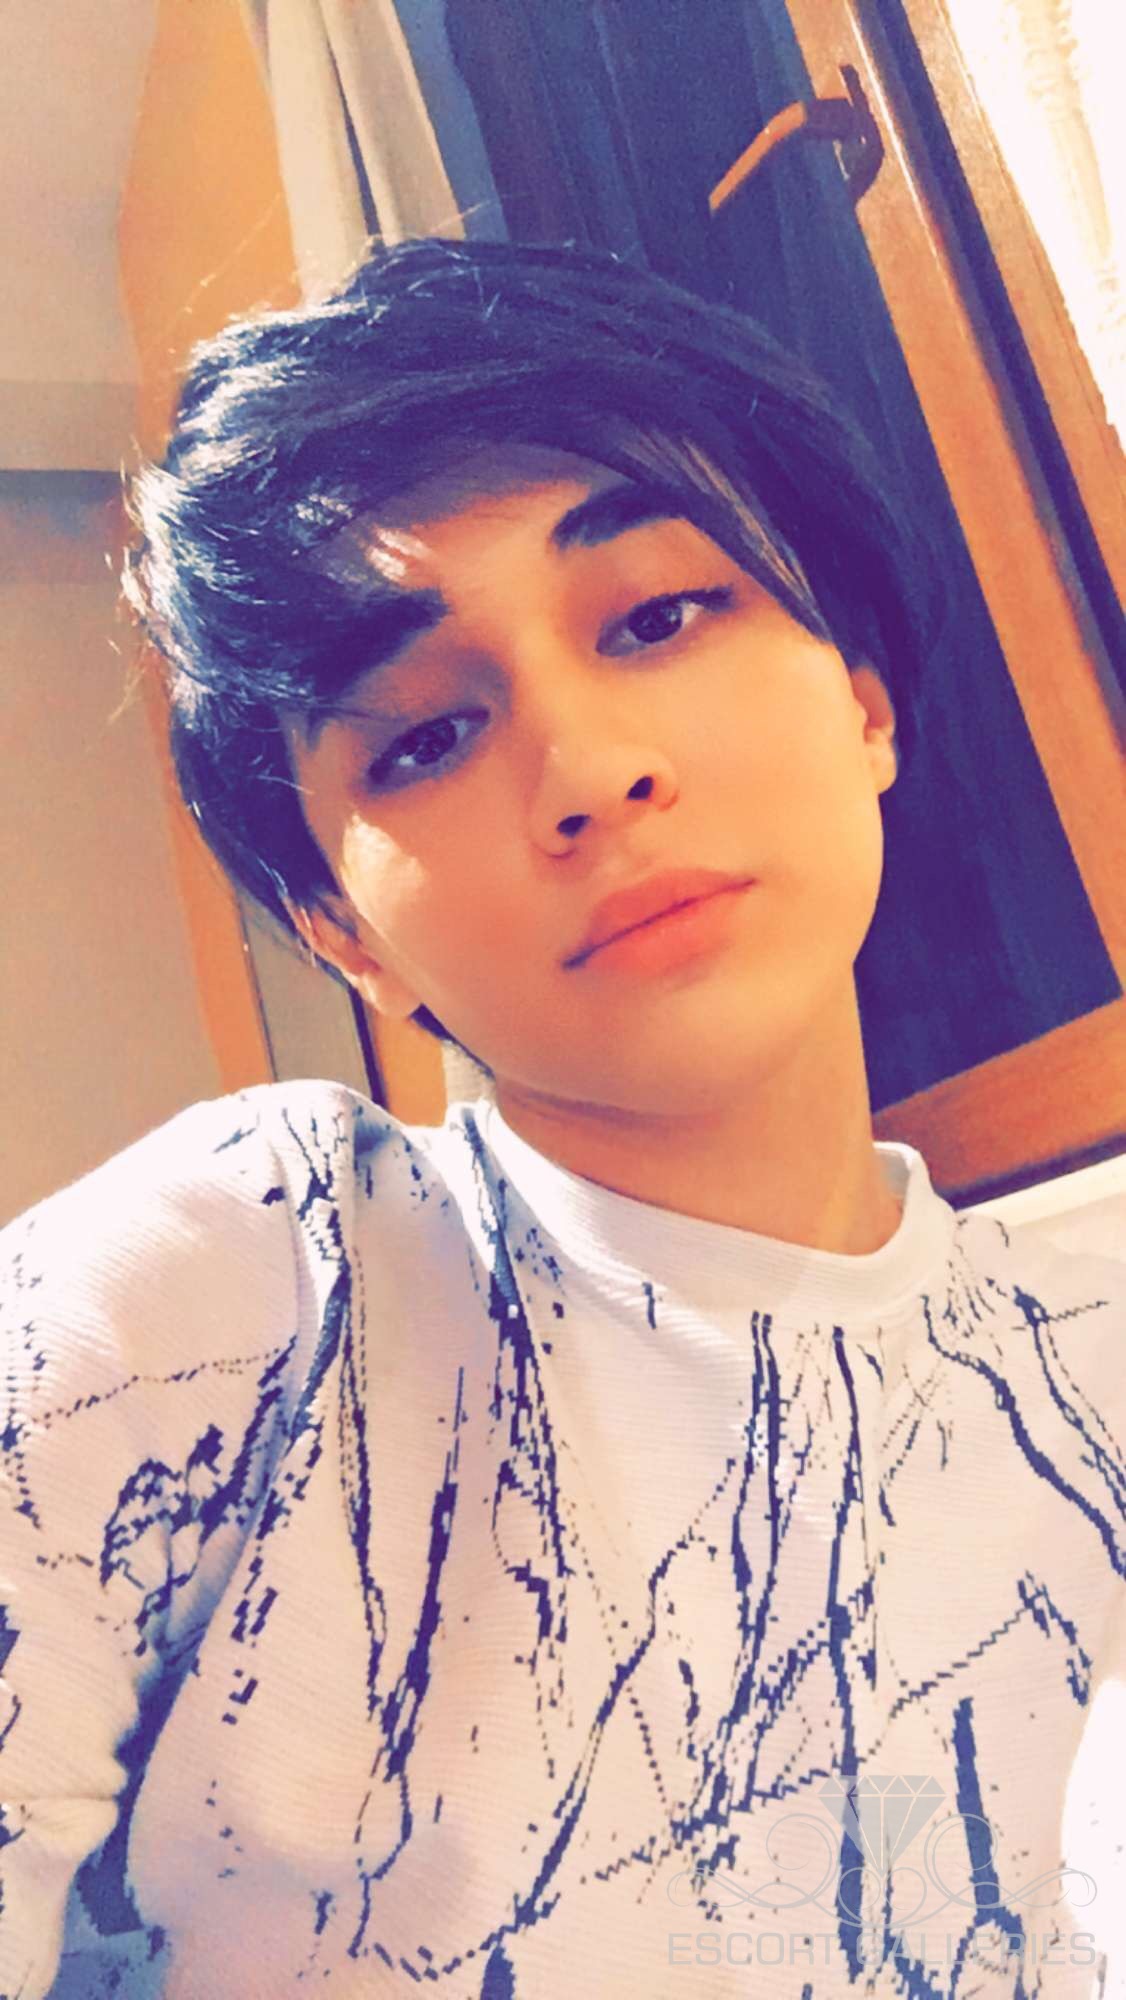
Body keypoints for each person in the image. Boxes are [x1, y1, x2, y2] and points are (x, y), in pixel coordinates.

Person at [1, 235, 1123, 1999]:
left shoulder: (1078, 1381)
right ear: (343, 933)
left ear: (860, 701)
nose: (591, 773)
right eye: (423, 738)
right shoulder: (256, 1273)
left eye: (657, 618)